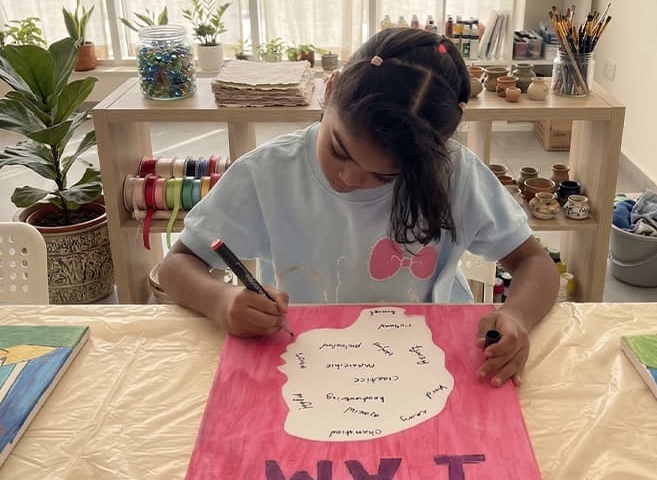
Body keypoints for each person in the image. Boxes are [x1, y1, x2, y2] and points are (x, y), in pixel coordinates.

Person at [158, 27, 559, 387]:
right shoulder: (268, 173)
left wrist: (519, 316)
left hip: (428, 365)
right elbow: (177, 265)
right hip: (304, 365)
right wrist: (220, 301)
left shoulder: (453, 173)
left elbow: (534, 263)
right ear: (330, 90)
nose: (349, 178)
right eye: (339, 150)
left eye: (384, 178)